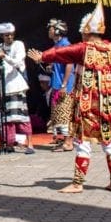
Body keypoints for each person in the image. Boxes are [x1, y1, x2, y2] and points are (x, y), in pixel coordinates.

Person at [29, 3, 111, 193]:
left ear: (86, 32)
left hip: (87, 105)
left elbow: (62, 53)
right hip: (107, 105)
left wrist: (43, 56)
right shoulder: (110, 49)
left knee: (83, 142)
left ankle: (78, 183)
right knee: (109, 142)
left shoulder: (84, 49)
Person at [0, 22, 34, 154]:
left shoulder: (19, 44)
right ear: (2, 36)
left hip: (17, 84)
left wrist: (4, 56)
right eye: (6, 35)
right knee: (7, 118)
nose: (9, 37)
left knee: (22, 116)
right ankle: (9, 143)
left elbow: (17, 61)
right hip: (4, 85)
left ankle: (30, 144)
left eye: (11, 35)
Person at [41, 18, 76, 151]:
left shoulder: (65, 45)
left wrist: (64, 84)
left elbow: (69, 65)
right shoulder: (57, 45)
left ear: (56, 31)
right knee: (59, 113)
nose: (49, 31)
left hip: (64, 85)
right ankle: (64, 140)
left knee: (65, 113)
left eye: (50, 28)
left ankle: (68, 142)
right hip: (58, 83)